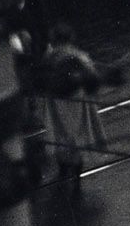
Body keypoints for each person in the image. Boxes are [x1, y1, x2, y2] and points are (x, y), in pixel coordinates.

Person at [36, 22, 106, 210]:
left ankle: (65, 171)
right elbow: (92, 80)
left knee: (60, 137)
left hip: (57, 105)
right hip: (76, 103)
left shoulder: (50, 57)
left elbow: (42, 79)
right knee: (76, 138)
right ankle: (75, 178)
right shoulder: (80, 57)